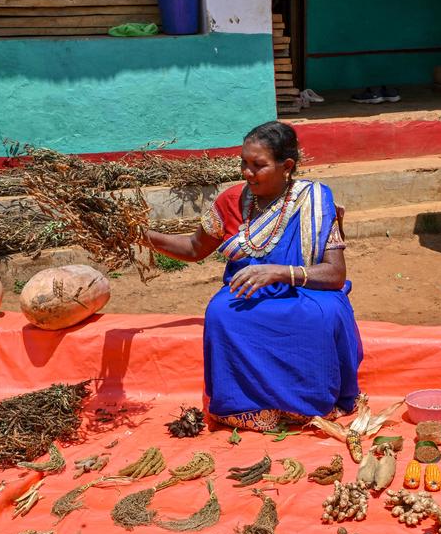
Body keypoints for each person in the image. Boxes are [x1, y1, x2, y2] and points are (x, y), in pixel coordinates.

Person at [139, 121, 363, 431]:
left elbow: (335, 274)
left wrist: (280, 273)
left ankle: (306, 406)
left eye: (258, 165)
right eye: (243, 163)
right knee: (221, 313)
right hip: (250, 291)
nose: (246, 172)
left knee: (324, 315)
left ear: (286, 166)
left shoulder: (314, 200)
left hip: (306, 290)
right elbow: (193, 248)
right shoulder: (232, 201)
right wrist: (141, 236)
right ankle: (244, 406)